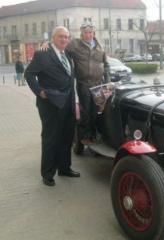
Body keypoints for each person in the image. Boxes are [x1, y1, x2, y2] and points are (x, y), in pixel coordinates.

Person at [25, 26, 80, 187]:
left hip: (68, 104)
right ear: (53, 38)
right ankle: (47, 174)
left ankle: (64, 168)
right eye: (61, 36)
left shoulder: (68, 54)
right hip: (50, 105)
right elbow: (29, 74)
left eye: (66, 37)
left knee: (66, 138)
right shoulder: (43, 53)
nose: (64, 39)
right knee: (51, 139)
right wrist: (39, 91)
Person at [42, 22, 111, 145]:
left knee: (96, 111)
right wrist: (47, 43)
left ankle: (94, 134)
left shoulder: (100, 46)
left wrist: (108, 81)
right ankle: (84, 136)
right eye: (85, 32)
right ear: (81, 33)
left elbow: (106, 65)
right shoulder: (75, 44)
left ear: (93, 33)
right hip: (83, 83)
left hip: (98, 84)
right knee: (85, 111)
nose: (88, 35)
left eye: (90, 32)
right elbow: (60, 46)